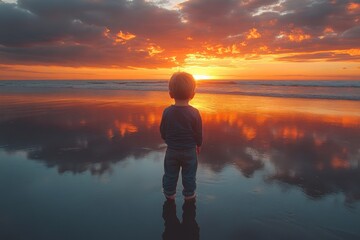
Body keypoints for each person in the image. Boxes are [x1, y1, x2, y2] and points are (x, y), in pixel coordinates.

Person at [160, 72, 202, 201]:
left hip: (172, 150)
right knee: (189, 175)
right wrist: (198, 144)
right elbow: (198, 132)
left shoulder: (167, 111)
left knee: (170, 174)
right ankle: (189, 195)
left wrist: (168, 140)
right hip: (190, 151)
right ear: (193, 95)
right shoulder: (194, 113)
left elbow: (162, 130)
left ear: (170, 94)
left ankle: (169, 194)